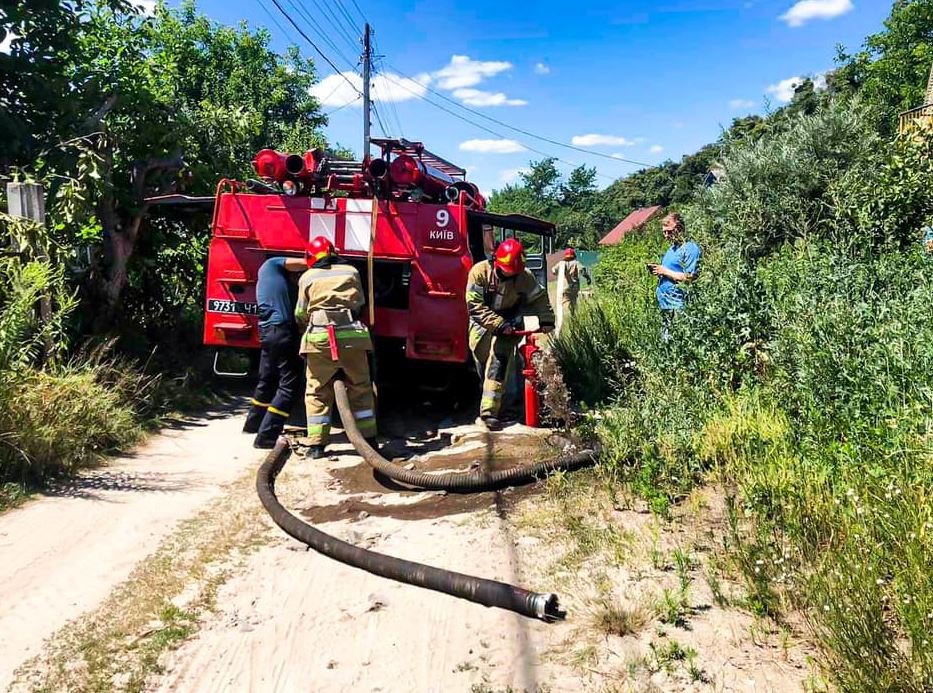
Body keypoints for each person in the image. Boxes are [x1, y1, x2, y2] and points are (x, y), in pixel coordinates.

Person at [296, 236, 376, 459]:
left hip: (319, 339)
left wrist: (308, 326)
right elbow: (359, 302)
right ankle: (369, 440)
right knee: (360, 387)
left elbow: (300, 313)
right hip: (352, 337)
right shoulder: (351, 272)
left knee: (317, 391)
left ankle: (316, 446)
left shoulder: (307, 277)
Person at [466, 238, 555, 430]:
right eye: (508, 272)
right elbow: (474, 305)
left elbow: (539, 298)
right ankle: (488, 400)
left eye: (515, 272)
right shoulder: (480, 272)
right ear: (496, 262)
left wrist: (546, 319)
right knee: (482, 360)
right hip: (482, 323)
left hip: (511, 323)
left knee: (499, 362)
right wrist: (498, 324)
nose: (511, 275)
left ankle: (490, 413)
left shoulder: (525, 276)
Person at [244, 256, 307, 449]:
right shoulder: (271, 264)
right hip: (282, 330)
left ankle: (253, 424)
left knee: (268, 379)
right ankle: (267, 436)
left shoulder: (272, 282)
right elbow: (303, 262)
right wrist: (321, 260)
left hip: (268, 331)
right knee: (290, 385)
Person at [648, 213, 701, 336]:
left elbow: (691, 277)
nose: (666, 236)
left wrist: (665, 271)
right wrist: (659, 271)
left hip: (679, 305)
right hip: (666, 304)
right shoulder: (672, 250)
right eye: (664, 232)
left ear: (679, 229)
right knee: (667, 342)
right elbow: (672, 272)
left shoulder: (690, 248)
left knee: (681, 339)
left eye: (669, 231)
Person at [551, 247, 591, 334]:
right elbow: (582, 271)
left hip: (563, 288)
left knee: (564, 305)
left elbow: (553, 271)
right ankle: (571, 322)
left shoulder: (561, 263)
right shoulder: (576, 263)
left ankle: (565, 323)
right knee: (572, 304)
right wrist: (588, 279)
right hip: (574, 288)